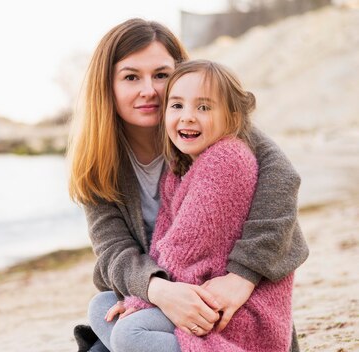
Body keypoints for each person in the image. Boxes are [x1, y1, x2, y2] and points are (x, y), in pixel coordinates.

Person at [67, 19, 308, 352]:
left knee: (125, 337)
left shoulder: (210, 134)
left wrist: (243, 275)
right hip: (168, 294)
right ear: (107, 86)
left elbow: (282, 181)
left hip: (224, 302)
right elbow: (114, 253)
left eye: (161, 75)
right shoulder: (101, 163)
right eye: (131, 77)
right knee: (102, 308)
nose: (148, 90)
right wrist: (159, 292)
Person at [105, 59, 294, 351]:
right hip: (194, 294)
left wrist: (141, 301)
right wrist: (147, 295)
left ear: (231, 118)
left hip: (229, 308)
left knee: (129, 332)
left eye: (203, 108)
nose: (188, 117)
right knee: (102, 306)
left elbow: (185, 252)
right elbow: (160, 245)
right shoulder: (178, 169)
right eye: (177, 106)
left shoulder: (225, 159)